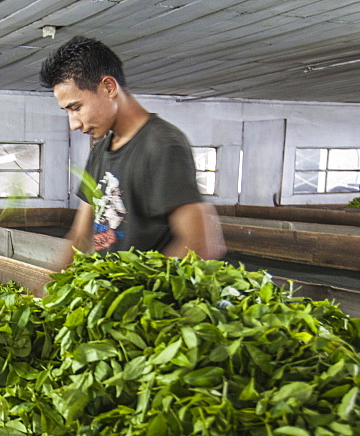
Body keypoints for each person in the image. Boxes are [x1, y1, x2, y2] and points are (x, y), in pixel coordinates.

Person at [39, 36, 226, 269]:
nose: (73, 124)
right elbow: (80, 235)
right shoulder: (101, 152)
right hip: (110, 295)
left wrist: (134, 297)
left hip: (146, 301)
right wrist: (49, 289)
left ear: (109, 87)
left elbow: (201, 245)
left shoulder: (162, 145)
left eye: (76, 108)